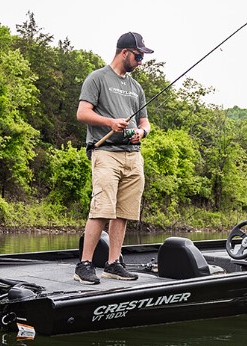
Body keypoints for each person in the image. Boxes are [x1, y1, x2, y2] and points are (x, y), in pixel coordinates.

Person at [73, 32, 154, 284]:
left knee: (124, 212)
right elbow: (82, 113)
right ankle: (84, 265)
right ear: (124, 53)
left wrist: (141, 133)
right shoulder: (97, 78)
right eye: (139, 56)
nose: (141, 61)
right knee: (101, 209)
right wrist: (110, 122)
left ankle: (113, 263)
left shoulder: (136, 87)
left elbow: (145, 122)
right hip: (105, 153)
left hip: (133, 156)